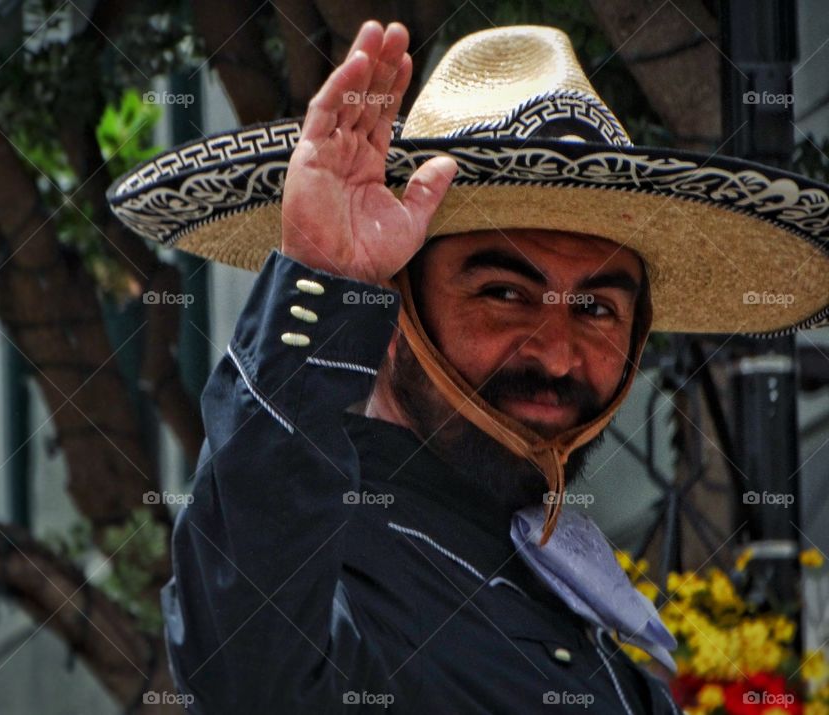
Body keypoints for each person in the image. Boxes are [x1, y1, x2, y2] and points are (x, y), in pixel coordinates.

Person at [108, 19, 829, 715]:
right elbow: (250, 670)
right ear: (388, 310)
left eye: (598, 308)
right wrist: (326, 277)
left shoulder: (582, 618)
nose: (556, 352)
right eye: (504, 294)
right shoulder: (332, 562)